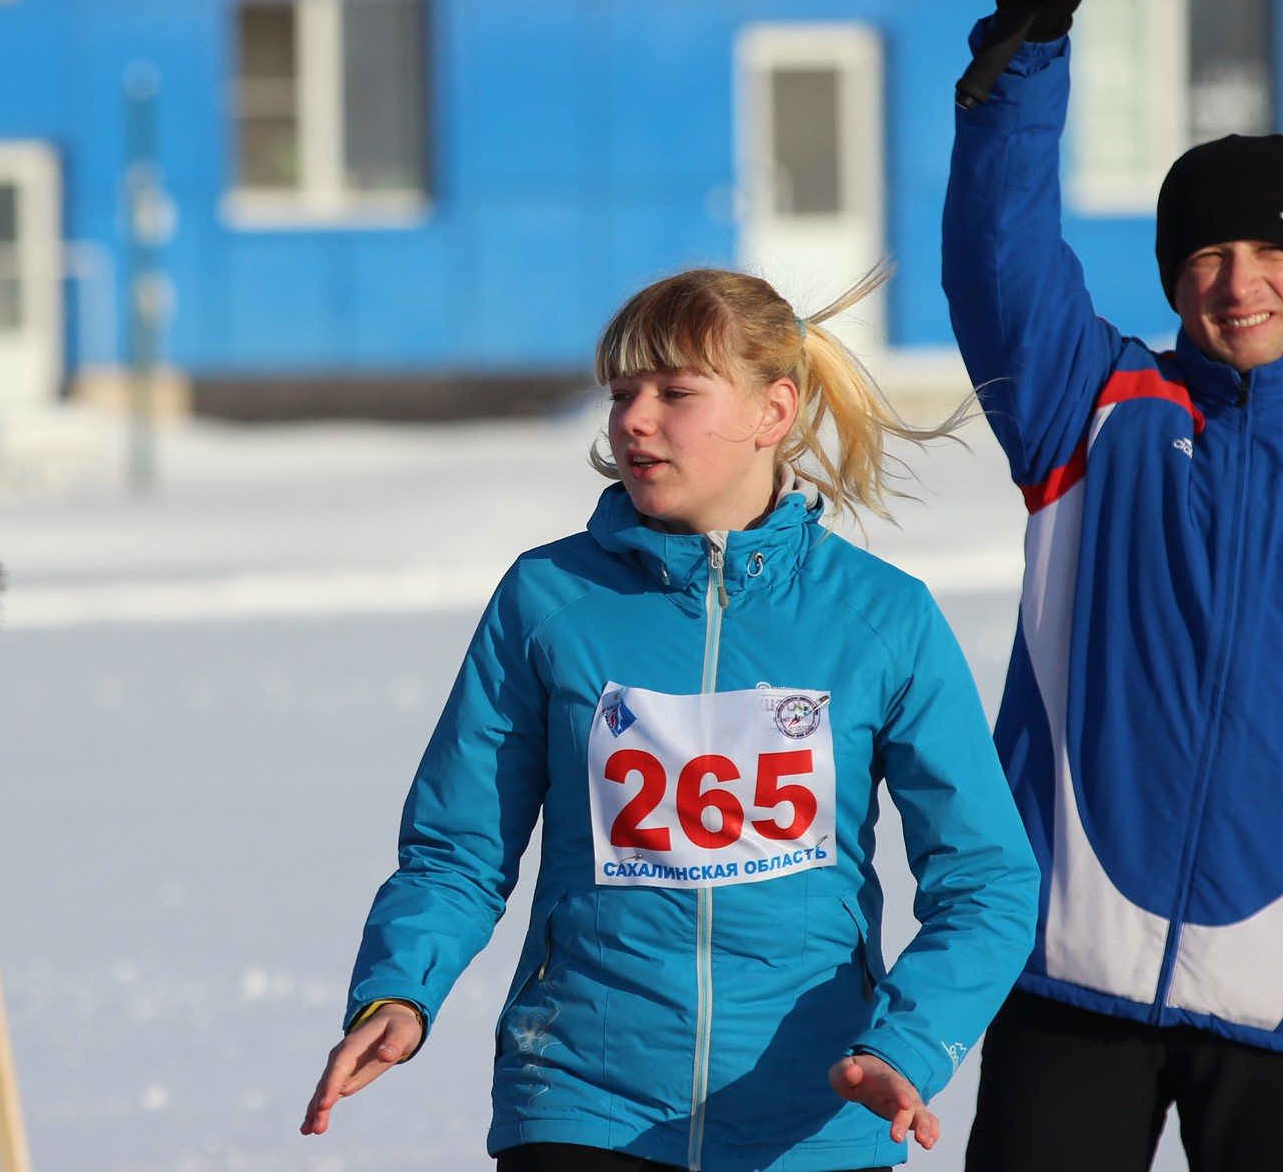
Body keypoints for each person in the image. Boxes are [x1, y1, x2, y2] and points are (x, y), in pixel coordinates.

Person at [302, 266, 1037, 1171]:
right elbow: (458, 848)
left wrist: (905, 1047)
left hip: (815, 1117)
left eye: (675, 392)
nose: (633, 420)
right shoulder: (549, 599)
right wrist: (398, 994)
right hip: (579, 1102)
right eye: (621, 393)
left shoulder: (882, 618)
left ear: (774, 410)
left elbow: (988, 881)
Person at [947, 0, 1283, 1172]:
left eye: (1271, 247)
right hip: (1063, 980)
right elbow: (998, 259)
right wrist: (1026, 52)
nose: (1239, 279)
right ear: (1170, 279)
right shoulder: (1089, 413)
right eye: (1207, 252)